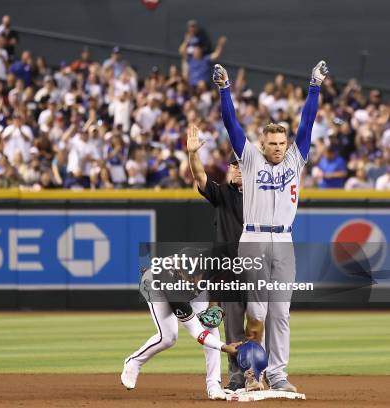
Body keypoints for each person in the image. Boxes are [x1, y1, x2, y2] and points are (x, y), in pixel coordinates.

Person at [214, 60, 328, 392]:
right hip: (253, 238)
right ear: (263, 145)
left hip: (284, 242)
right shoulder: (248, 159)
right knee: (257, 311)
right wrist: (224, 90)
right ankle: (252, 373)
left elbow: (307, 123)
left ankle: (277, 374)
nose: (278, 148)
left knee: (281, 312)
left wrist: (314, 86)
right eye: (273, 143)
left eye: (282, 143)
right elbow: (231, 123)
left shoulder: (295, 158)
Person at [120, 268, 242, 400]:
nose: (193, 281)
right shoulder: (172, 286)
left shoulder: (211, 264)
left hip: (188, 280)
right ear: (180, 273)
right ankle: (133, 362)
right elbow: (197, 332)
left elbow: (220, 277)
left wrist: (213, 304)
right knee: (168, 337)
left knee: (210, 325)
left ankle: (214, 385)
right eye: (189, 277)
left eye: (196, 277)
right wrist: (224, 347)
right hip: (156, 285)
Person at [187, 124, 245, 393]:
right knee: (232, 326)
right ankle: (236, 377)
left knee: (260, 322)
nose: (235, 169)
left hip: (256, 267)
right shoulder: (223, 194)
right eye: (233, 166)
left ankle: (260, 372)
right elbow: (200, 177)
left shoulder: (261, 198)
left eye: (241, 166)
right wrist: (192, 155)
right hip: (228, 271)